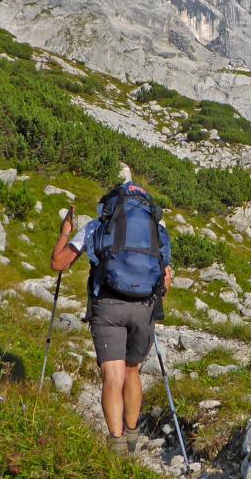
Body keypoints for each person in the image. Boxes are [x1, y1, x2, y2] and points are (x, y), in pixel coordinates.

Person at [50, 174, 173, 454]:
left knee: (112, 376)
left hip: (108, 306)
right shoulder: (156, 230)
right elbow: (165, 279)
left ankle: (116, 447)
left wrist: (65, 233)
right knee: (132, 372)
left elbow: (59, 263)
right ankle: (132, 440)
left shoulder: (97, 226)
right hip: (144, 308)